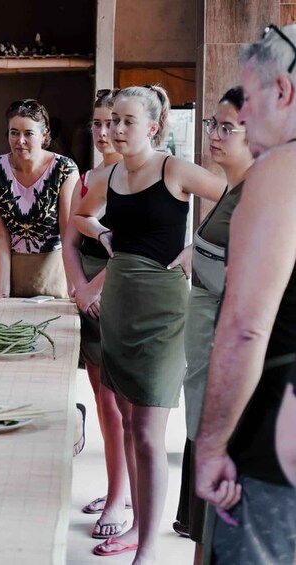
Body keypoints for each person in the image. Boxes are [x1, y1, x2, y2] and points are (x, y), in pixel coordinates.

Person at [74, 85, 222, 563]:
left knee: (147, 430)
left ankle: (149, 549)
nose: (115, 129)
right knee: (129, 419)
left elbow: (233, 197)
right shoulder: (108, 174)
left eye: (127, 121)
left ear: (153, 128)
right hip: (119, 301)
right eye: (112, 119)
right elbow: (80, 216)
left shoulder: (173, 169)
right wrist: (102, 232)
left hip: (163, 308)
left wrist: (193, 251)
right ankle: (137, 527)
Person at [195, 24, 296, 564]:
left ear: (283, 91)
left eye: (250, 99)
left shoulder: (280, 170)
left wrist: (209, 449)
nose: (242, 116)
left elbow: (245, 327)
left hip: (278, 431)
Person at [169, 87, 254, 563]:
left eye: (227, 127)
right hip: (204, 375)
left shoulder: (259, 203)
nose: (215, 136)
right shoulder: (230, 191)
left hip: (229, 384)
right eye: (212, 125)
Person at [61, 88, 131, 540]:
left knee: (119, 403)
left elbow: (132, 248)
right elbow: (69, 239)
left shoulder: (133, 177)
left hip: (117, 292)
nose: (103, 132)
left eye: (112, 123)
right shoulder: (88, 177)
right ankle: (112, 489)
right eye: (97, 123)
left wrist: (92, 288)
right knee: (102, 401)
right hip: (86, 293)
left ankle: (121, 497)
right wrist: (76, 286)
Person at [0, 99, 78, 299]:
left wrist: (74, 289)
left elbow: (69, 234)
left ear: (44, 135)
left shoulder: (64, 169)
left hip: (52, 275)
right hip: (6, 274)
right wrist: (1, 291)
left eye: (28, 134)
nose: (20, 140)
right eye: (14, 133)